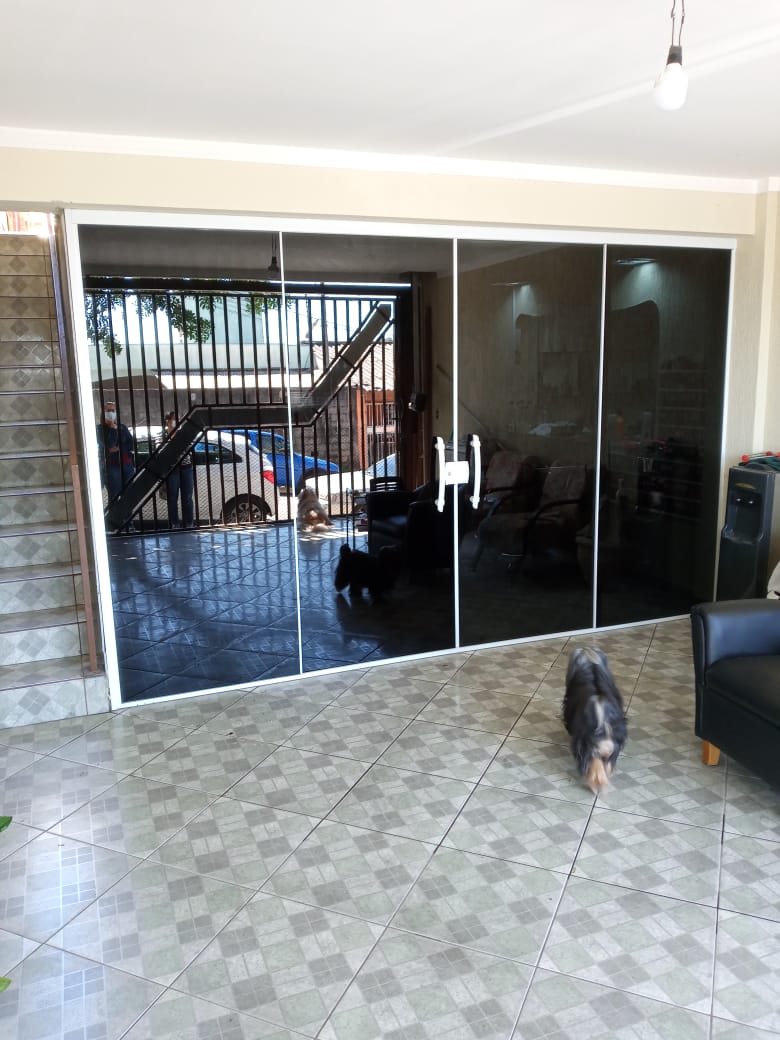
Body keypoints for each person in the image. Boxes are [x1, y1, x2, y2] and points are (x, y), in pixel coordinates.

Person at [97, 399, 135, 502]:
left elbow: (131, 444)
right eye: (108, 411)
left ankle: (128, 513)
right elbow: (109, 445)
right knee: (114, 495)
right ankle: (115, 513)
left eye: (113, 411)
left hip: (126, 464)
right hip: (111, 466)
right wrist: (112, 428)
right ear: (103, 413)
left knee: (129, 494)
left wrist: (119, 448)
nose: (111, 413)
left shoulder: (122, 427)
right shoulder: (100, 429)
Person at [163, 411, 195, 529]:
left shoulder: (184, 433)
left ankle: (189, 524)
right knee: (172, 498)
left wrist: (177, 439)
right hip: (172, 470)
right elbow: (161, 451)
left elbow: (188, 448)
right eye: (174, 419)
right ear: (168, 421)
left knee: (187, 497)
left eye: (179, 419)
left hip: (186, 467)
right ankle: (174, 524)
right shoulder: (162, 434)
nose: (177, 421)